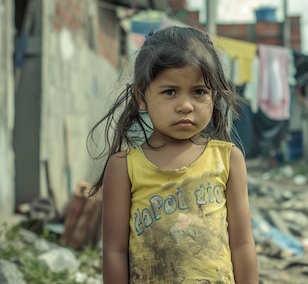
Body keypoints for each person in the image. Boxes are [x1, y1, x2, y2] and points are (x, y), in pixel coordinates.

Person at [88, 26, 259, 284]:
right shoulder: (124, 167)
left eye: (199, 91)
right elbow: (115, 251)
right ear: (141, 97)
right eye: (170, 92)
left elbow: (243, 244)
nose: (185, 105)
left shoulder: (228, 159)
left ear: (214, 95)